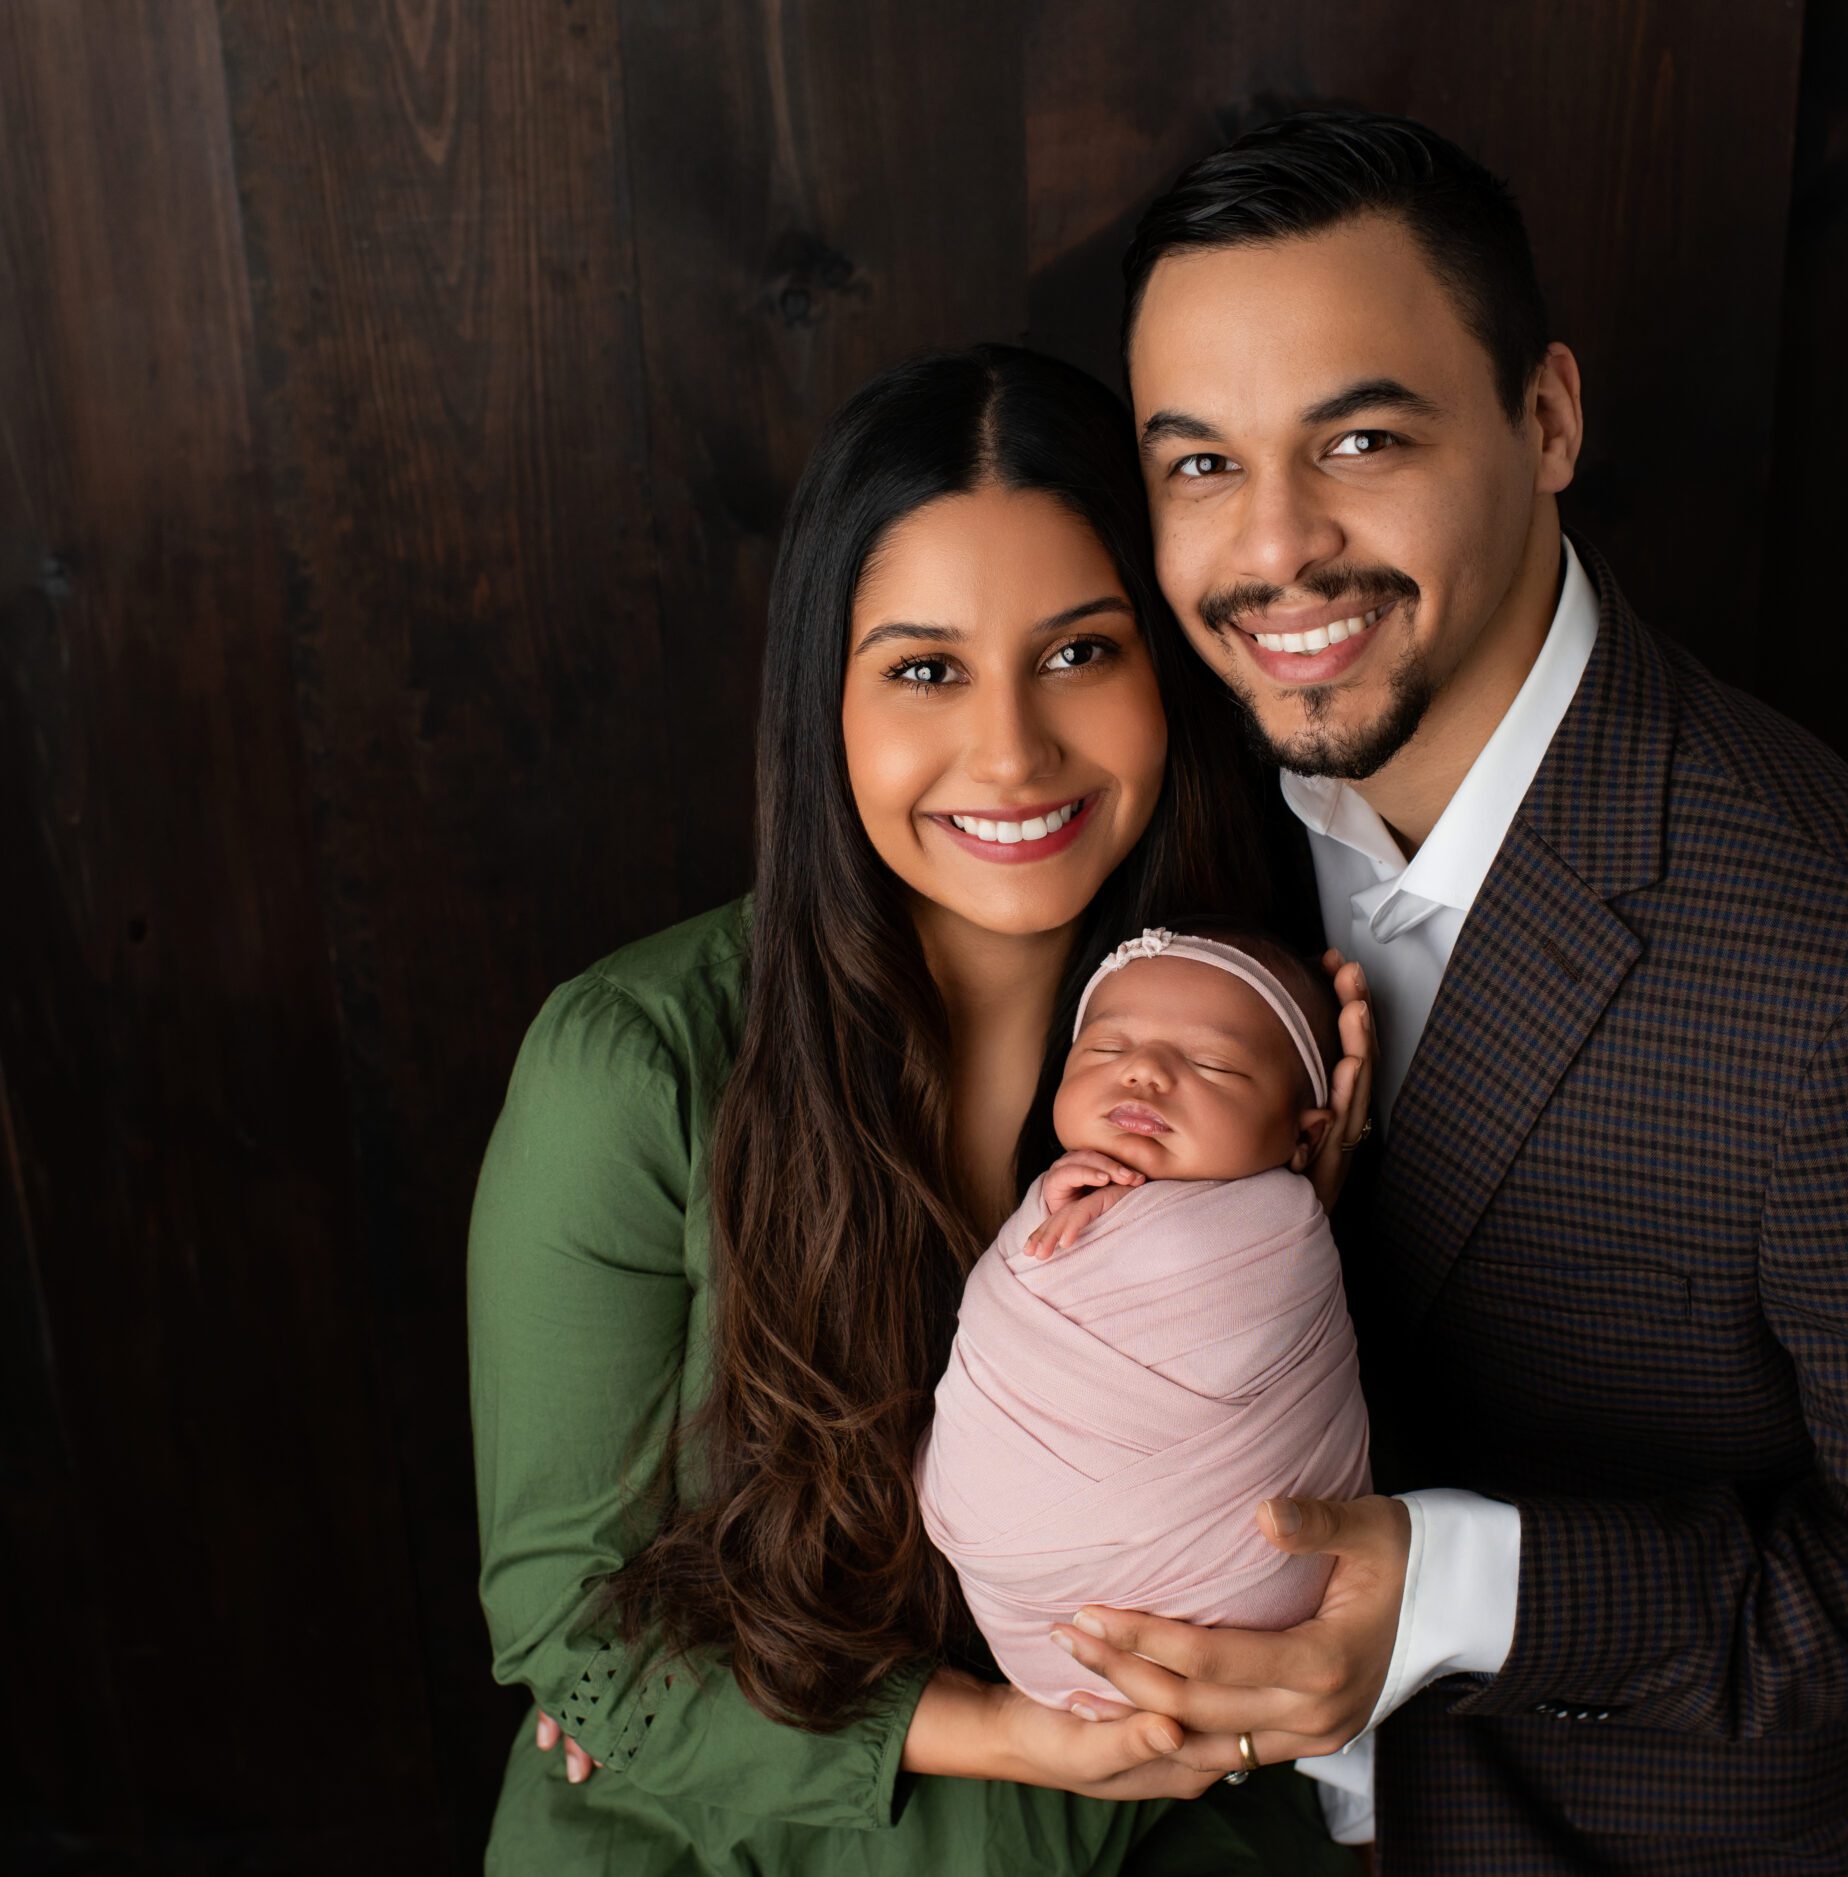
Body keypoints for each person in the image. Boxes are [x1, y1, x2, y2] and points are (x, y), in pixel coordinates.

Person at [1044, 109, 1848, 1874]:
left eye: (1360, 438)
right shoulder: (1180, 816)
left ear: (1546, 419)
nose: (1275, 551)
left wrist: (1480, 1595)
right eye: (1200, 465)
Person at [466, 345, 1367, 1873]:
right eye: (926, 668)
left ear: (1168, 665)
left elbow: (1329, 1539)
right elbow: (579, 1640)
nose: (1011, 752)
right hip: (732, 1841)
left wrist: (1278, 1247)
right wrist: (1018, 1735)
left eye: (1081, 651)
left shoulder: (1264, 1064)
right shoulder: (633, 1069)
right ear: (825, 697)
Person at [919, 924, 1371, 1712]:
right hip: (1020, 1604)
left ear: (1306, 1136)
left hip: (1234, 1585)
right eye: (1103, 1050)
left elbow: (1190, 1277)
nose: (1144, 1071)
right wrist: (1046, 1206)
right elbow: (1005, 1303)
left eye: (1212, 1063)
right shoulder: (1064, 1194)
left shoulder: (1279, 1229)